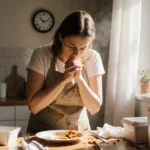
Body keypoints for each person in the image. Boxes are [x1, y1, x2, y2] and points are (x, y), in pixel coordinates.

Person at [26, 10, 105, 133]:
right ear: (61, 37)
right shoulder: (42, 54)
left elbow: (94, 108)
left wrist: (79, 79)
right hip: (40, 134)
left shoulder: (93, 57)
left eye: (83, 48)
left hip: (78, 134)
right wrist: (63, 80)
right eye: (71, 46)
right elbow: (34, 107)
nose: (77, 53)